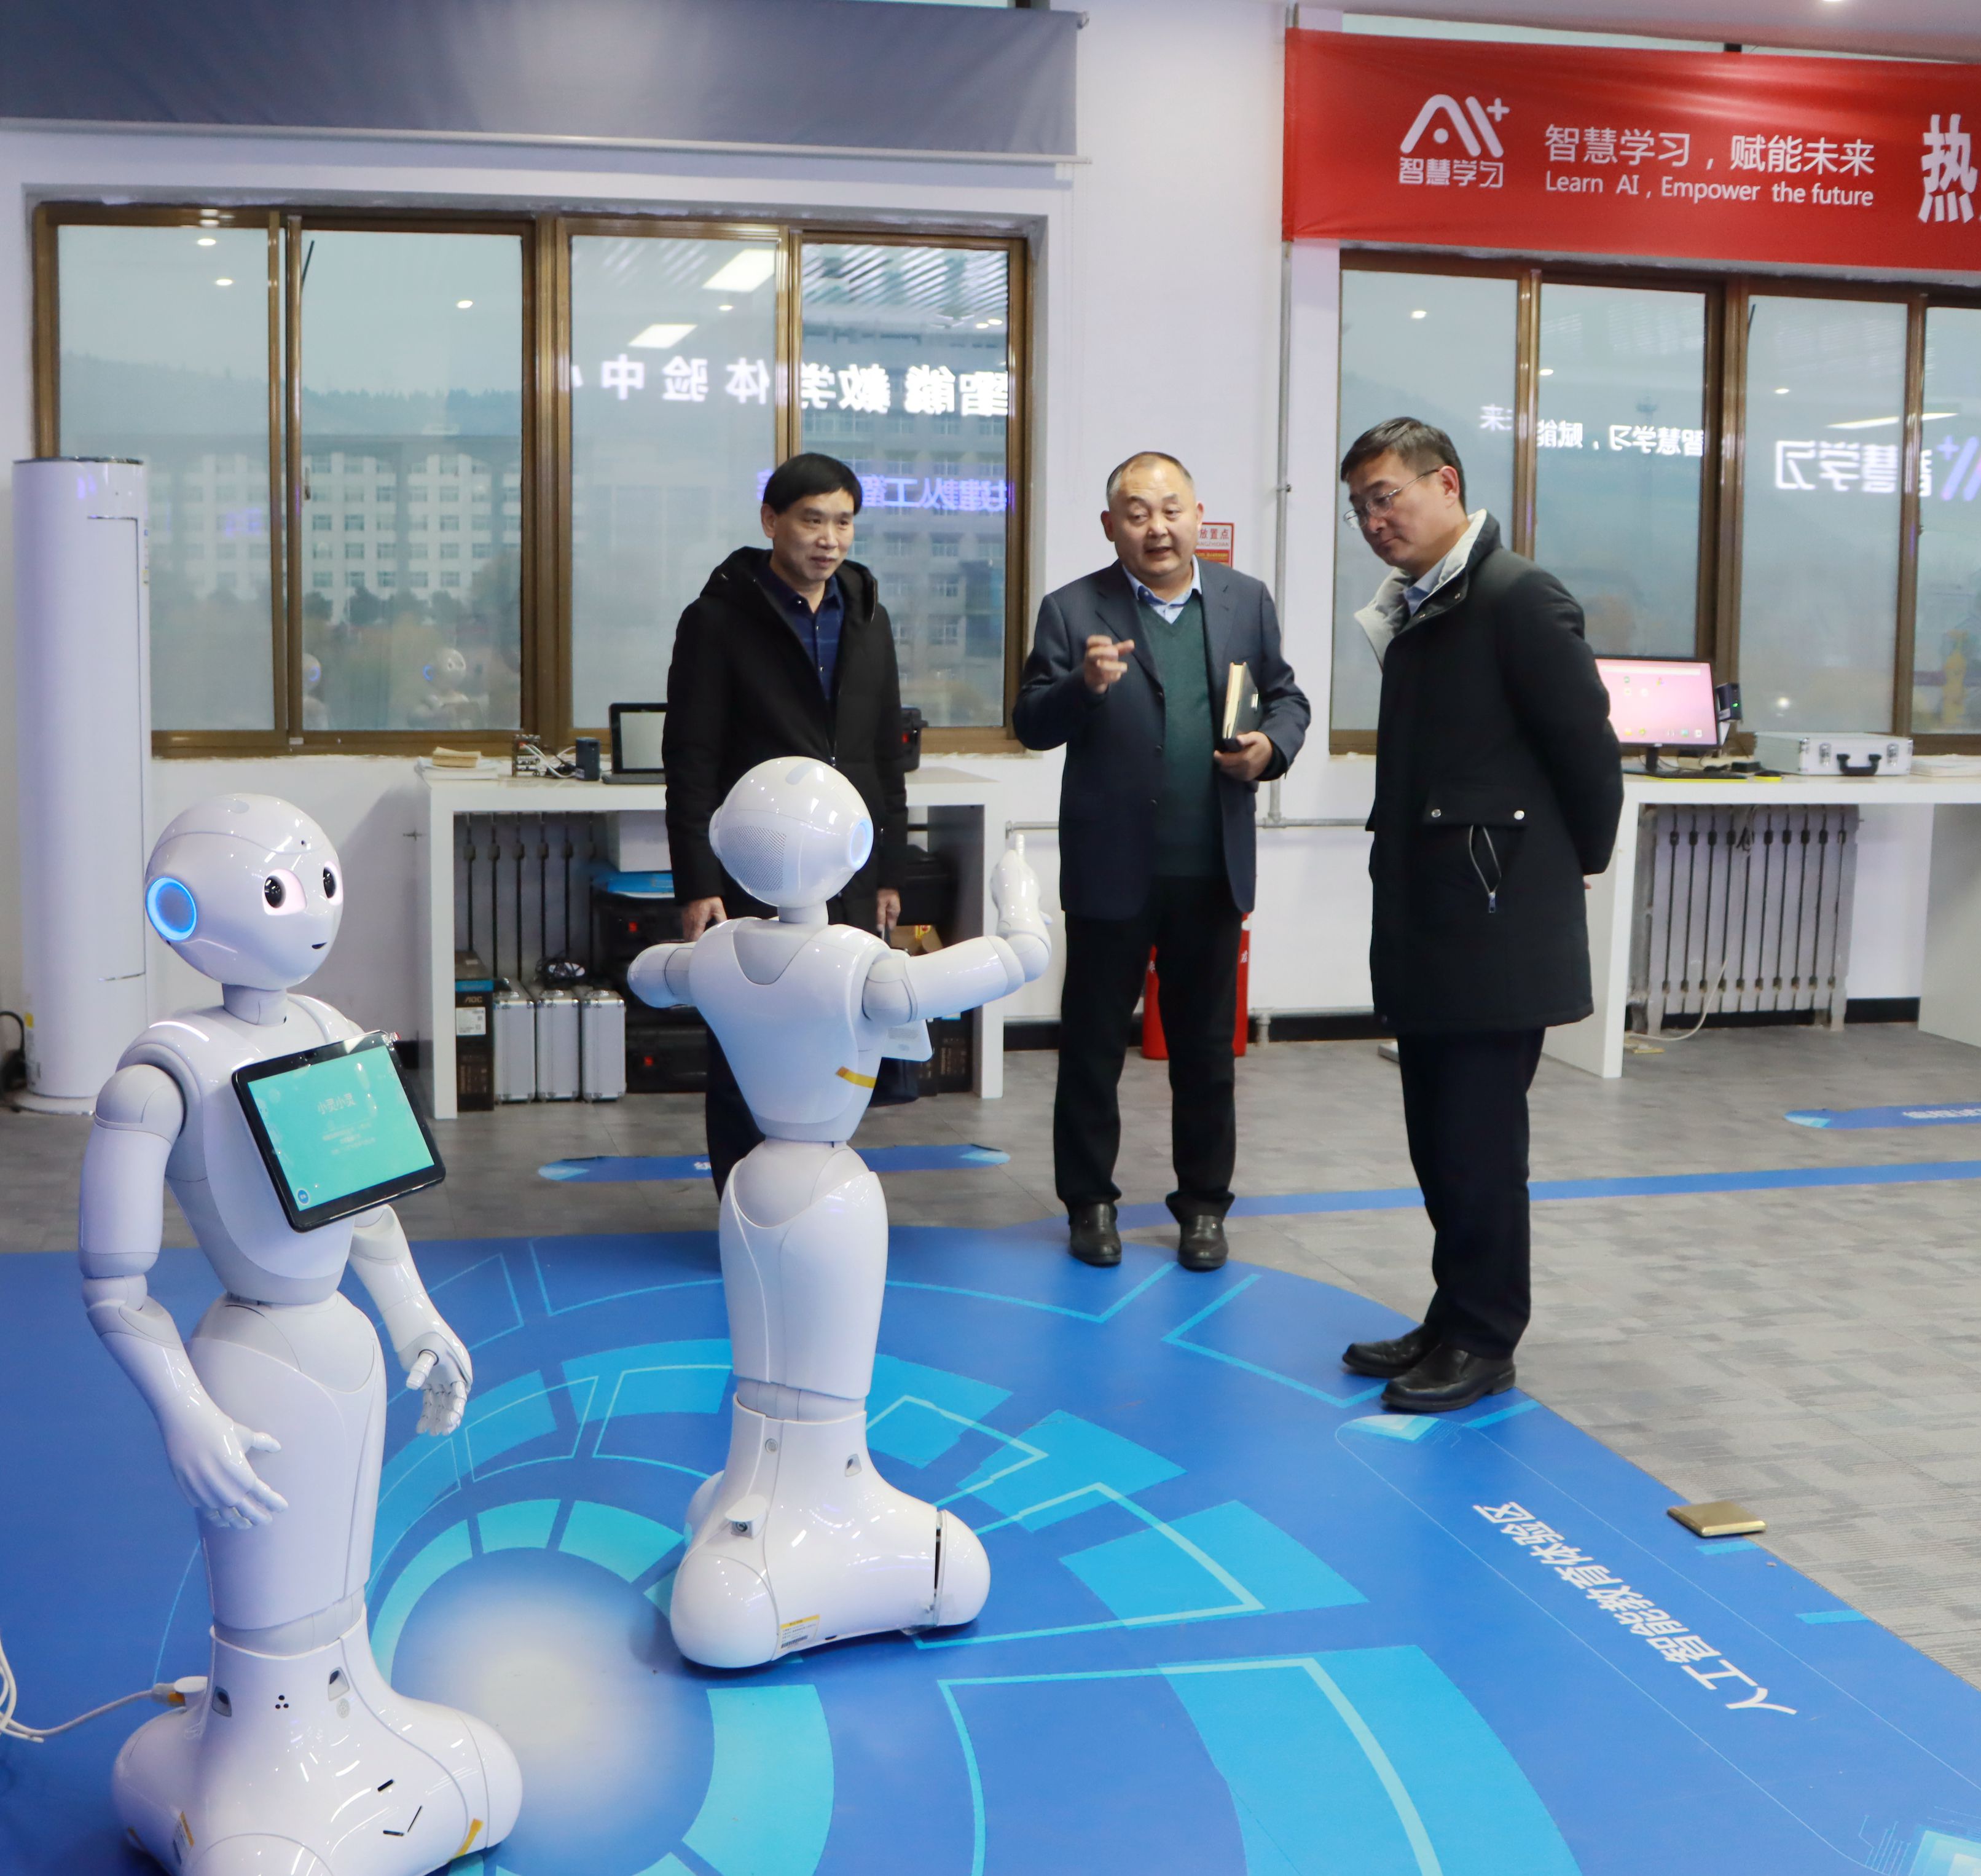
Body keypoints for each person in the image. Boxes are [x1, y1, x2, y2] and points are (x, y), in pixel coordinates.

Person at [1338, 417, 1622, 1413]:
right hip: (1434, 918)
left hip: (1493, 921)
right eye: (1359, 507)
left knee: (1479, 1145)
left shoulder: (1514, 596)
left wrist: (1570, 865)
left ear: (1446, 484)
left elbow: (1586, 752)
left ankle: (1485, 1337)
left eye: (1386, 496)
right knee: (1438, 1138)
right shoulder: (1422, 604)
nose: (1374, 521)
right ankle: (1451, 1313)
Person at [1014, 452, 1309, 1273]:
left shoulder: (1245, 599)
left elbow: (1287, 697)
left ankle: (1204, 1207)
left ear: (1197, 515)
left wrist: (1271, 747)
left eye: (1171, 509)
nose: (1157, 527)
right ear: (1110, 526)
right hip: (1111, 866)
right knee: (1093, 1048)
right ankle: (1090, 1203)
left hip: (1209, 865)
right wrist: (1082, 687)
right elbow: (1032, 722)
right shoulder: (1072, 608)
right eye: (1137, 513)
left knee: (1205, 1052)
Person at [662, 453, 907, 1192]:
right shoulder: (716, 621)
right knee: (750, 1038)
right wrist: (697, 880)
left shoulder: (867, 616)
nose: (828, 539)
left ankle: (815, 1190)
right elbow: (691, 758)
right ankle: (745, 1201)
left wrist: (887, 871)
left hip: (845, 861)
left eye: (843, 522)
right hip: (755, 862)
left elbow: (882, 753)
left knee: (840, 1032)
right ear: (771, 521)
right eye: (811, 520)